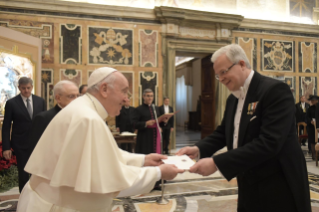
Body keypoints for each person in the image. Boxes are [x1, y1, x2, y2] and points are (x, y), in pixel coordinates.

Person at [17, 67, 184, 212]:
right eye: (124, 91)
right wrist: (158, 173)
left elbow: (103, 153)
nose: (127, 99)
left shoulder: (84, 109)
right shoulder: (88, 118)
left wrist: (143, 160)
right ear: (104, 89)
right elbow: (113, 178)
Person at [177, 44, 311, 212]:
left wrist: (217, 163)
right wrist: (198, 149)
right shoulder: (233, 98)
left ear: (241, 64)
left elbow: (269, 143)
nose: (221, 79)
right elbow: (223, 132)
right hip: (248, 180)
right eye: (218, 75)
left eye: (224, 72)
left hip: (278, 183)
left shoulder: (274, 90)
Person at [2, 77, 46, 193]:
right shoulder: (11, 103)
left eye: (28, 88)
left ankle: (37, 197)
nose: (26, 91)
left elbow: (44, 123)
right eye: (23, 88)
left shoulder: (40, 101)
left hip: (38, 143)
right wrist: (6, 147)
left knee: (38, 173)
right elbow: (6, 126)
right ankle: (24, 198)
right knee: (23, 174)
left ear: (32, 87)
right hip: (20, 144)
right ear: (19, 88)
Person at [27, 80, 79, 156]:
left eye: (78, 96)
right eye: (71, 96)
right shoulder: (43, 118)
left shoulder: (81, 116)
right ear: (58, 98)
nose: (76, 100)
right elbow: (36, 151)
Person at [132, 89, 161, 154]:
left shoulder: (156, 108)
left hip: (155, 134)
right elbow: (134, 124)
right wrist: (145, 123)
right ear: (143, 97)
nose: (150, 98)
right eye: (148, 96)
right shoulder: (138, 109)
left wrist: (164, 121)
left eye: (151, 96)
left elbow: (158, 120)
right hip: (144, 136)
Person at [306, 95, 319, 160]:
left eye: (314, 100)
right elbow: (307, 117)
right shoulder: (310, 108)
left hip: (318, 126)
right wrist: (310, 121)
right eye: (312, 100)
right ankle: (313, 155)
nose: (313, 101)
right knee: (312, 140)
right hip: (312, 127)